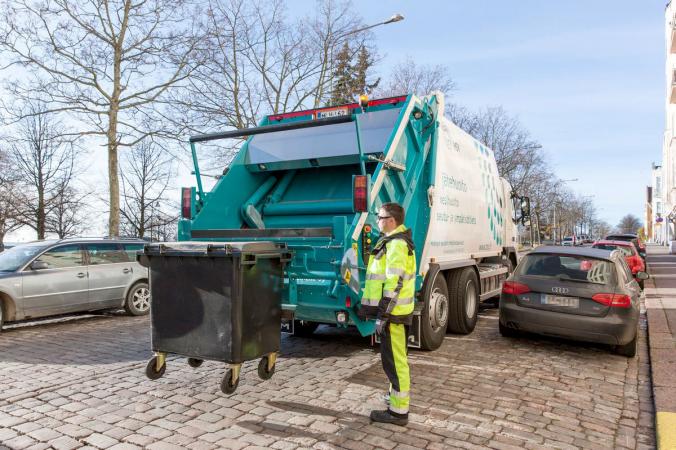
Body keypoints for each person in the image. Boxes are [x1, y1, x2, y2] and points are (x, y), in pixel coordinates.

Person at [361, 202, 416, 426]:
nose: (377, 220)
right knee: (394, 361)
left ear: (391, 220)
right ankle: (395, 402)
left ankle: (398, 413)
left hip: (394, 315)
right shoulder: (395, 242)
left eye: (380, 216)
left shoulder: (396, 245)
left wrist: (383, 313)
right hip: (396, 313)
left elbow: (395, 282)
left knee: (395, 363)